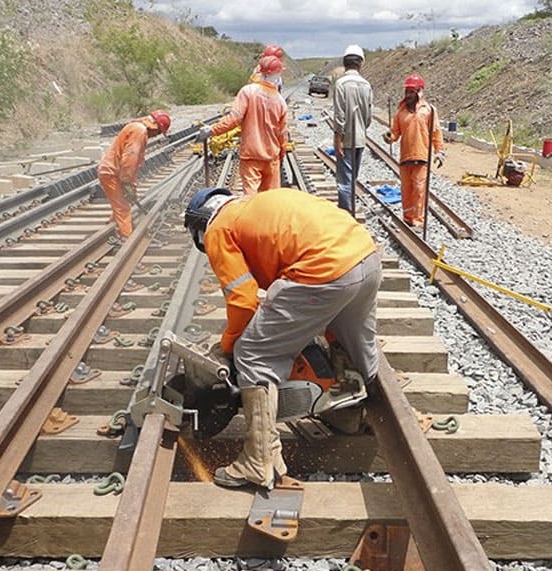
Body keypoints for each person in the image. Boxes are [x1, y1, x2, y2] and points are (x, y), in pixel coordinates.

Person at [183, 187, 382, 489]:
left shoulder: (217, 228)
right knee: (354, 342)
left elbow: (243, 300)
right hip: (364, 257)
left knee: (253, 353)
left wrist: (230, 348)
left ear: (200, 225)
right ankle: (353, 416)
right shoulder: (252, 207)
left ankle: (258, 460)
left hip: (324, 270)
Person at [198, 57, 288, 195]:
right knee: (270, 200)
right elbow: (282, 134)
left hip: (251, 155)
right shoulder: (280, 101)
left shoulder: (248, 91)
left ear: (260, 72)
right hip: (271, 158)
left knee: (250, 198)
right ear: (278, 75)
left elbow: (234, 118)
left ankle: (250, 216)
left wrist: (212, 130)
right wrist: (281, 153)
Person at [382, 74, 444, 229]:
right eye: (407, 91)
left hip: (422, 156)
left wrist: (439, 151)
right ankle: (408, 217)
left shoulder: (428, 111)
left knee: (419, 189)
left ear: (419, 92)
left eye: (412, 91)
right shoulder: (400, 113)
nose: (408, 95)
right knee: (406, 189)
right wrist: (389, 137)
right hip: (405, 157)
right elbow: (395, 134)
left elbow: (436, 132)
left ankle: (418, 219)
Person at [96, 110, 171, 238]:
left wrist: (131, 185)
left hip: (115, 172)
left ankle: (112, 228)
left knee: (121, 202)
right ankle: (126, 237)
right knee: (123, 207)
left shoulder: (136, 128)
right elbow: (130, 158)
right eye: (158, 132)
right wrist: (127, 182)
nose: (155, 135)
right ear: (155, 127)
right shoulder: (139, 131)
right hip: (112, 173)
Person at [332, 44, 373, 214]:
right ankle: (350, 208)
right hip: (360, 138)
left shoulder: (341, 84)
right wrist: (361, 128)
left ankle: (346, 212)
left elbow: (340, 115)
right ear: (360, 63)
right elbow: (368, 116)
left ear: (345, 62)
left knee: (344, 179)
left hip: (346, 139)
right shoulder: (366, 85)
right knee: (352, 177)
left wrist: (338, 139)